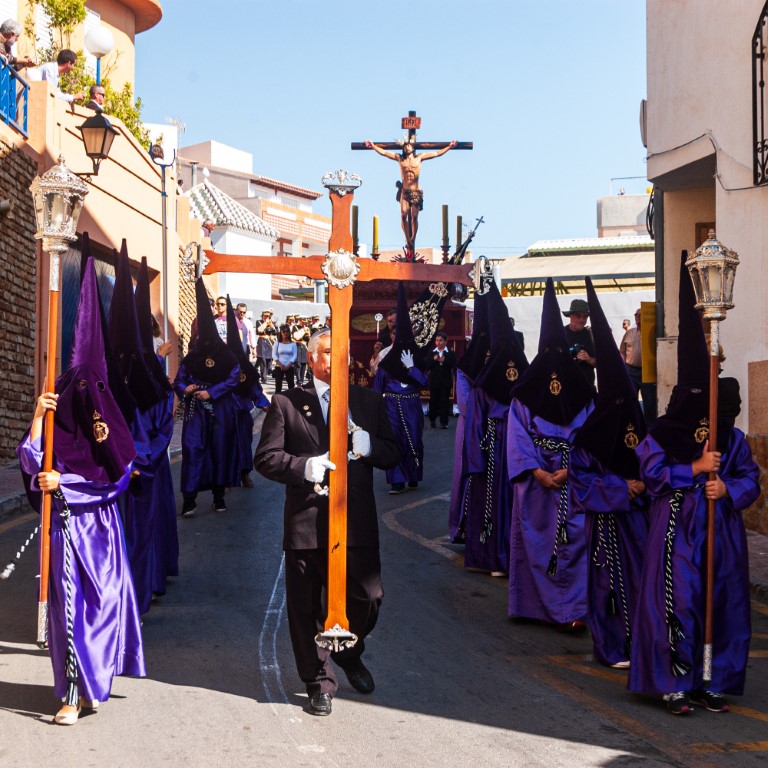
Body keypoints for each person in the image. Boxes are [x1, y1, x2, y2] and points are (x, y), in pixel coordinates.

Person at [629, 255, 760, 716]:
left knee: (721, 601)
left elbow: (750, 478)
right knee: (679, 601)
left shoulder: (730, 435)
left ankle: (712, 679)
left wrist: (727, 490)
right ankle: (674, 681)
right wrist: (695, 467)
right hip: (676, 532)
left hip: (720, 530)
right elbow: (652, 475)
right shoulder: (664, 433)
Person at [17, 256, 144, 725]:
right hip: (65, 529)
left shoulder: (104, 409)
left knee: (101, 607)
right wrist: (38, 417)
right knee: (68, 611)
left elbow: (118, 474)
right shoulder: (59, 406)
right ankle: (72, 693)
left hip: (99, 528)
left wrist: (65, 483)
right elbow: (33, 459)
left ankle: (94, 682)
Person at [253, 328, 400, 717]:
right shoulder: (287, 403)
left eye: (343, 353)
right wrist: (303, 467)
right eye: (330, 352)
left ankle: (349, 650)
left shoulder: (367, 401)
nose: (338, 360)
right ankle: (318, 681)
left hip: (355, 520)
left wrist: (371, 447)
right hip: (307, 520)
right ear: (313, 357)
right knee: (305, 606)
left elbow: (394, 453)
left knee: (368, 596)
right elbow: (265, 457)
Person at [506, 278, 595, 631]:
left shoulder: (582, 392)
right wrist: (536, 471)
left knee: (576, 540)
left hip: (572, 477)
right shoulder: (525, 392)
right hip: (537, 479)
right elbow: (517, 434)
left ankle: (573, 609)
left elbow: (591, 434)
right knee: (537, 541)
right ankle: (534, 606)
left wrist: (572, 468)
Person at [570, 277, 649, 668]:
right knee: (607, 582)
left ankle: (640, 645)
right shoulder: (591, 435)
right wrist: (622, 487)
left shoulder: (640, 423)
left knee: (641, 580)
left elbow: (655, 464)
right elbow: (581, 482)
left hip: (637, 521)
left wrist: (645, 484)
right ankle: (611, 647)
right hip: (606, 521)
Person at [462, 282, 527, 575]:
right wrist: (475, 463)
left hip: (512, 450)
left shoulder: (518, 381)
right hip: (493, 451)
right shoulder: (483, 387)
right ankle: (490, 557)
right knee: (492, 503)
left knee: (513, 503)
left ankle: (510, 558)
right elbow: (475, 425)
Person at [173, 278, 241, 516]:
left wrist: (211, 392)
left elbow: (234, 378)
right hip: (196, 412)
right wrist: (186, 389)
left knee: (219, 450)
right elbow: (179, 380)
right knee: (193, 449)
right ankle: (189, 499)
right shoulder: (192, 357)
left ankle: (218, 496)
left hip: (220, 408)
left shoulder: (227, 355)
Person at [373, 284, 428, 494]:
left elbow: (424, 382)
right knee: (394, 441)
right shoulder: (385, 357)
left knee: (414, 440)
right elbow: (378, 386)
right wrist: (376, 412)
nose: (397, 337)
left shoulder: (415, 356)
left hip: (411, 403)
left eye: (400, 334)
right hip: (392, 404)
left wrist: (411, 368)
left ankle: (413, 475)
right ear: (391, 335)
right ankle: (396, 480)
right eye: (394, 334)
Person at [364, 137, 458, 252]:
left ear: (413, 147)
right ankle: (408, 240)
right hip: (405, 190)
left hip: (416, 191)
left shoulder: (420, 158)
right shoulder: (400, 158)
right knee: (403, 216)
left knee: (414, 217)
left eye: (409, 145)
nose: (407, 147)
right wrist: (373, 146)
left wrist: (449, 147)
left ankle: (413, 237)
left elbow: (437, 153)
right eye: (405, 145)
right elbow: (384, 153)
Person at [449, 288, 490, 544]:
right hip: (471, 428)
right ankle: (465, 525)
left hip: (497, 427)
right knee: (469, 473)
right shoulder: (465, 368)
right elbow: (465, 405)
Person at [620, 307, 658, 424]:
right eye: (636, 315)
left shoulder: (653, 332)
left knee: (649, 401)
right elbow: (622, 351)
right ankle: (632, 424)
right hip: (631, 370)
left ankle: (649, 427)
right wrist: (624, 366)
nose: (637, 317)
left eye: (640, 315)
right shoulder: (629, 333)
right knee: (631, 399)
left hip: (647, 371)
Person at [562, 298, 596, 385]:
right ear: (570, 316)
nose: (582, 320)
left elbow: (602, 363)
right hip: (566, 385)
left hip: (587, 385)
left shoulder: (591, 335)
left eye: (585, 316)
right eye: (578, 316)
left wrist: (589, 359)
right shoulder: (561, 334)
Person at [426, 331, 456, 429]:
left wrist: (445, 360)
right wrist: (433, 360)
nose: (438, 342)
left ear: (446, 341)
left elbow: (454, 364)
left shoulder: (450, 353)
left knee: (444, 402)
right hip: (434, 382)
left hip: (445, 382)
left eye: (441, 340)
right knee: (433, 401)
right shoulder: (432, 353)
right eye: (437, 340)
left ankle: (444, 422)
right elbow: (427, 365)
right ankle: (432, 420)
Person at [272, 324, 298, 393]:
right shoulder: (277, 343)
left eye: (287, 331)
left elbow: (295, 355)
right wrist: (280, 365)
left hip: (290, 366)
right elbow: (274, 355)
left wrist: (289, 365)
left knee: (291, 385)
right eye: (283, 331)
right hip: (279, 366)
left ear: (289, 333)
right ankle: (277, 398)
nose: (285, 333)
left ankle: (291, 398)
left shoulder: (293, 344)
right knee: (278, 385)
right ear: (281, 333)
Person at [256, 309, 276, 381]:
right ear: (262, 316)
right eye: (265, 316)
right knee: (262, 359)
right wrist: (265, 323)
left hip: (269, 342)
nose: (267, 317)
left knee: (269, 359)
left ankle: (265, 373)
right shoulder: (259, 322)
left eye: (268, 316)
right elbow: (259, 330)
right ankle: (263, 377)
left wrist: (272, 326)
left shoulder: (271, 323)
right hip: (262, 341)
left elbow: (275, 332)